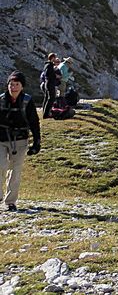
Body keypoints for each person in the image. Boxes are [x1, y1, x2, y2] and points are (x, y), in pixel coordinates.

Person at [1, 71, 41, 211]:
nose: (13, 87)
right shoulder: (1, 100)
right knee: (1, 166)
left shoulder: (27, 101)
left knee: (15, 171)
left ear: (22, 86)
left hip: (20, 140)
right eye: (11, 84)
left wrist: (37, 142)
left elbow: (34, 122)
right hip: (1, 138)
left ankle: (10, 202)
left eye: (17, 84)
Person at [41, 53, 60, 119]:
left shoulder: (47, 65)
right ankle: (46, 114)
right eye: (55, 58)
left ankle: (45, 112)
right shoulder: (49, 65)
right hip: (50, 83)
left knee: (46, 98)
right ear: (52, 58)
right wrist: (56, 76)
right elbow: (49, 74)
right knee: (51, 98)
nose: (55, 59)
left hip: (47, 83)